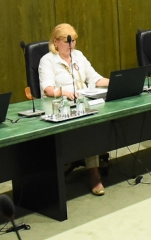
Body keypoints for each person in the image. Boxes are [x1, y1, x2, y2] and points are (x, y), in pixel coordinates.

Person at [38, 23, 110, 195]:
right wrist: (65, 92)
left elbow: (95, 79)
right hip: (60, 107)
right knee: (89, 127)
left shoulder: (78, 56)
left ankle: (95, 157)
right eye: (67, 42)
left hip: (84, 102)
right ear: (55, 42)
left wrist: (113, 81)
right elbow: (48, 90)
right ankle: (94, 174)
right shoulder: (47, 60)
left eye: (74, 41)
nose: (71, 45)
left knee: (101, 117)